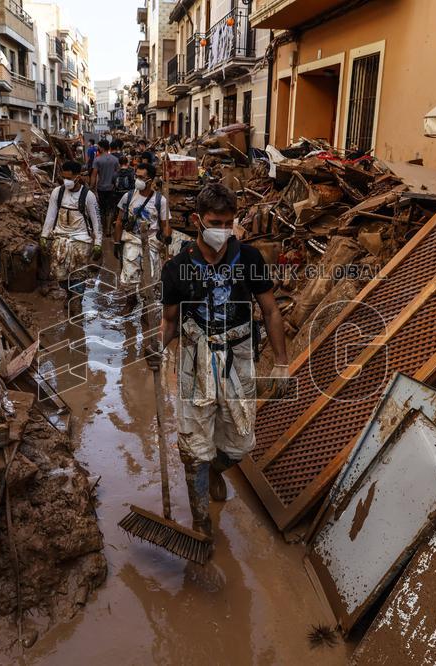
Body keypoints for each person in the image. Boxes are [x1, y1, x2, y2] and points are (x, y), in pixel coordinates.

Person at [151, 183, 289, 538]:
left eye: (229, 223)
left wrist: (281, 362)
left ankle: (215, 467)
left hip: (239, 356)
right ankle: (201, 522)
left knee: (241, 443)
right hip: (194, 357)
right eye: (215, 223)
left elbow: (271, 311)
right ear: (198, 220)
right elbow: (169, 321)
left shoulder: (249, 259)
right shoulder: (177, 268)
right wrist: (156, 347)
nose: (223, 230)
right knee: (194, 446)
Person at [40, 159, 103, 298]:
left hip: (81, 241)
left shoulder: (88, 196)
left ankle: (77, 300)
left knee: (78, 275)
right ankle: (69, 295)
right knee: (59, 274)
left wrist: (98, 243)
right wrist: (44, 236)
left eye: (69, 178)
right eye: (64, 177)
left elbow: (97, 222)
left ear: (78, 177)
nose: (66, 181)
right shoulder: (57, 192)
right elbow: (50, 215)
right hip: (60, 239)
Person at [113, 162, 171, 295]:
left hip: (151, 242)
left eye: (141, 177)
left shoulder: (160, 201)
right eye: (136, 176)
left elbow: (165, 225)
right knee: (129, 279)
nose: (137, 180)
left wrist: (167, 236)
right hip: (132, 240)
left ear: (150, 180)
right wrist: (116, 243)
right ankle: (131, 300)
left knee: (151, 280)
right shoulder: (128, 197)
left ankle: (146, 303)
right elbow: (119, 221)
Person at [90, 140, 120, 233]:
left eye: (99, 147)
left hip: (101, 188)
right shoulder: (115, 159)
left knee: (102, 208)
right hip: (112, 187)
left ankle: (102, 228)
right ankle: (108, 229)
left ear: (102, 148)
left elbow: (94, 175)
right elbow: (118, 173)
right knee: (110, 209)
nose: (98, 148)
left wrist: (91, 187)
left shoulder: (97, 159)